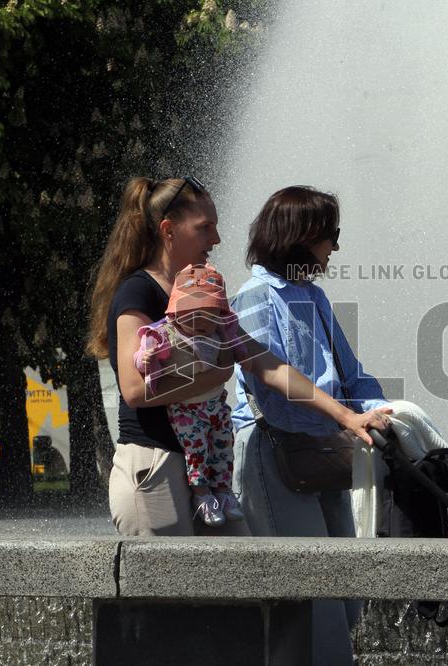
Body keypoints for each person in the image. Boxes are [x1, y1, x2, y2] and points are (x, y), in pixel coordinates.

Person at [86, 176, 391, 538]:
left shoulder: (203, 294)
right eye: (205, 228)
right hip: (157, 465)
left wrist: (348, 416)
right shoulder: (138, 291)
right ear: (168, 230)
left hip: (205, 471)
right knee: (172, 594)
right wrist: (213, 375)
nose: (216, 239)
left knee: (237, 587)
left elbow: (270, 366)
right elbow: (135, 389)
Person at [229, 185, 391, 665]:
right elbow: (272, 376)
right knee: (315, 598)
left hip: (322, 453)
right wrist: (344, 414)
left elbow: (350, 373)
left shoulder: (313, 297)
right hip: (275, 454)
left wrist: (388, 412)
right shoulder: (256, 295)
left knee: (347, 592)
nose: (335, 249)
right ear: (301, 237)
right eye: (331, 236)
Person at [132, 263, 247, 527]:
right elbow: (141, 358)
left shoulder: (221, 330)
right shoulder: (163, 334)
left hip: (216, 405)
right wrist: (146, 359)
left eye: (210, 314)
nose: (203, 322)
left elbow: (236, 346)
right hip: (185, 409)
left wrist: (243, 357)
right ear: (177, 311)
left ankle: (224, 493)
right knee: (196, 450)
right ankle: (202, 495)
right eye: (194, 314)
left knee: (224, 446)